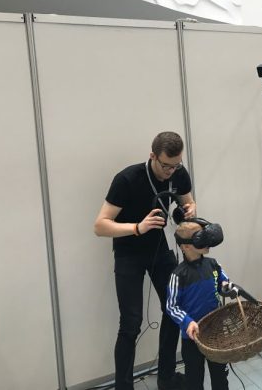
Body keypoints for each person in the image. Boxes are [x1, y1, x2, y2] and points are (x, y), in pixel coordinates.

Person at [94, 131, 196, 390]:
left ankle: (166, 377)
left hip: (159, 249)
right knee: (131, 323)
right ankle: (124, 386)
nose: (171, 172)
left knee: (174, 309)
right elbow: (100, 226)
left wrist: (190, 209)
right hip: (128, 253)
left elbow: (188, 202)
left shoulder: (178, 173)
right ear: (152, 156)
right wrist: (137, 227)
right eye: (166, 166)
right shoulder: (127, 179)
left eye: (176, 165)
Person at [166, 220, 230, 390]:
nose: (207, 242)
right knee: (194, 380)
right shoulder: (178, 275)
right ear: (185, 246)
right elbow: (171, 306)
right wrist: (187, 322)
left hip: (216, 333)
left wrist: (227, 287)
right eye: (200, 239)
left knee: (220, 378)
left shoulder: (213, 265)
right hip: (192, 338)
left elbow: (223, 282)